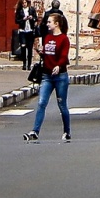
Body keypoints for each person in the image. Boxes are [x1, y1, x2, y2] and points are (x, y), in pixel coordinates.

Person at [24, 11, 73, 141]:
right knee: (41, 103)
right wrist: (41, 52)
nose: (47, 24)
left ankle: (67, 131)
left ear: (56, 24)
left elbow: (63, 56)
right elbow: (47, 55)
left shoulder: (64, 39)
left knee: (62, 105)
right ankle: (35, 131)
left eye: (49, 22)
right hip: (47, 76)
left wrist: (58, 66)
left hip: (60, 76)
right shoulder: (47, 38)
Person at [14, 0, 39, 69]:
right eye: (23, 3)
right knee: (23, 46)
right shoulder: (19, 11)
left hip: (30, 30)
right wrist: (23, 19)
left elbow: (36, 18)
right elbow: (16, 21)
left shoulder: (32, 9)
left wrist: (32, 18)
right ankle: (24, 63)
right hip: (22, 30)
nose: (24, 4)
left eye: (25, 3)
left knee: (30, 47)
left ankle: (29, 64)